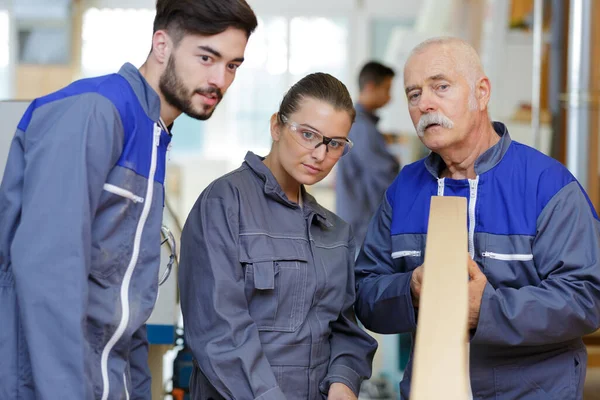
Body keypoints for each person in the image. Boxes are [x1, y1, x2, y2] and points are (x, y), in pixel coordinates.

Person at [0, 1, 257, 399]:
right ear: (162, 45)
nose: (219, 79)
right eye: (207, 57)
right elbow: (49, 275)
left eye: (232, 66)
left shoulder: (153, 134)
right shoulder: (95, 111)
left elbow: (128, 295)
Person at [354, 36, 600, 400]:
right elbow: (365, 293)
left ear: (481, 93)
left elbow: (587, 298)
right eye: (413, 93)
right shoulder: (403, 190)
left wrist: (486, 310)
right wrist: (410, 289)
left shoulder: (547, 186)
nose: (425, 104)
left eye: (440, 86)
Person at [178, 73, 378, 400]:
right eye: (307, 134)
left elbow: (344, 328)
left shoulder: (335, 232)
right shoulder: (224, 204)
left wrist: (344, 381)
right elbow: (218, 332)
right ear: (276, 126)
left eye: (335, 143)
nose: (319, 154)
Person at [336, 61, 400, 248]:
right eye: (387, 89)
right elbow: (385, 175)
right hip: (362, 228)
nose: (390, 97)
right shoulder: (362, 128)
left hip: (358, 225)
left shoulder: (360, 125)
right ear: (371, 87)